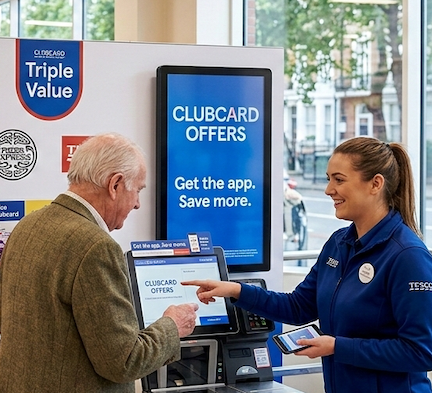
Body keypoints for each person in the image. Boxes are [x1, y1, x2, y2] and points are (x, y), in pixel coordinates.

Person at [183, 137, 432, 393]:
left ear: (375, 184)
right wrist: (235, 291)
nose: (329, 190)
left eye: (339, 179)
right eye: (328, 179)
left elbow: (421, 351)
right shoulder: (339, 243)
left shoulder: (407, 256)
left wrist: (337, 347)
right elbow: (298, 306)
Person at [0, 133, 197, 393]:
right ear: (115, 185)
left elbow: (8, 324)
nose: (137, 204)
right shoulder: (96, 247)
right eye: (137, 190)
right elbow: (123, 361)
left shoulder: (27, 226)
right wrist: (172, 325)